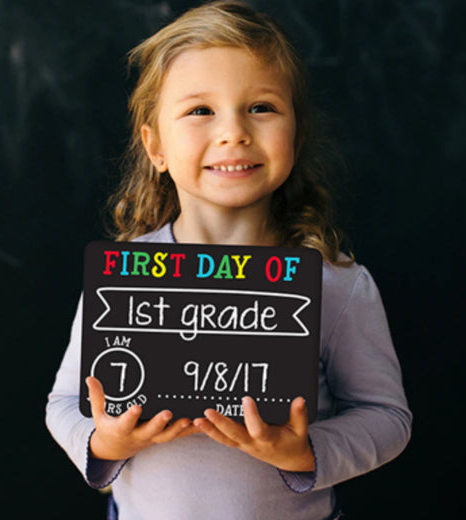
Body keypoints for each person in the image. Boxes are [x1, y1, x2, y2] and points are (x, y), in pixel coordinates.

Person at [45, 2, 412, 519]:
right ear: (156, 147)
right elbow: (63, 404)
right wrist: (103, 443)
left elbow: (387, 417)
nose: (234, 131)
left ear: (296, 133)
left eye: (261, 107)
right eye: (200, 110)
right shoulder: (122, 276)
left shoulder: (337, 282)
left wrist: (305, 453)